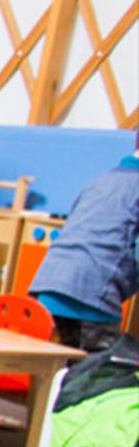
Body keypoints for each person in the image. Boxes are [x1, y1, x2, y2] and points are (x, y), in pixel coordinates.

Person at [29, 137, 139, 354]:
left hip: (48, 286)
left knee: (64, 366)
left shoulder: (104, 179)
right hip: (93, 296)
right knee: (101, 376)